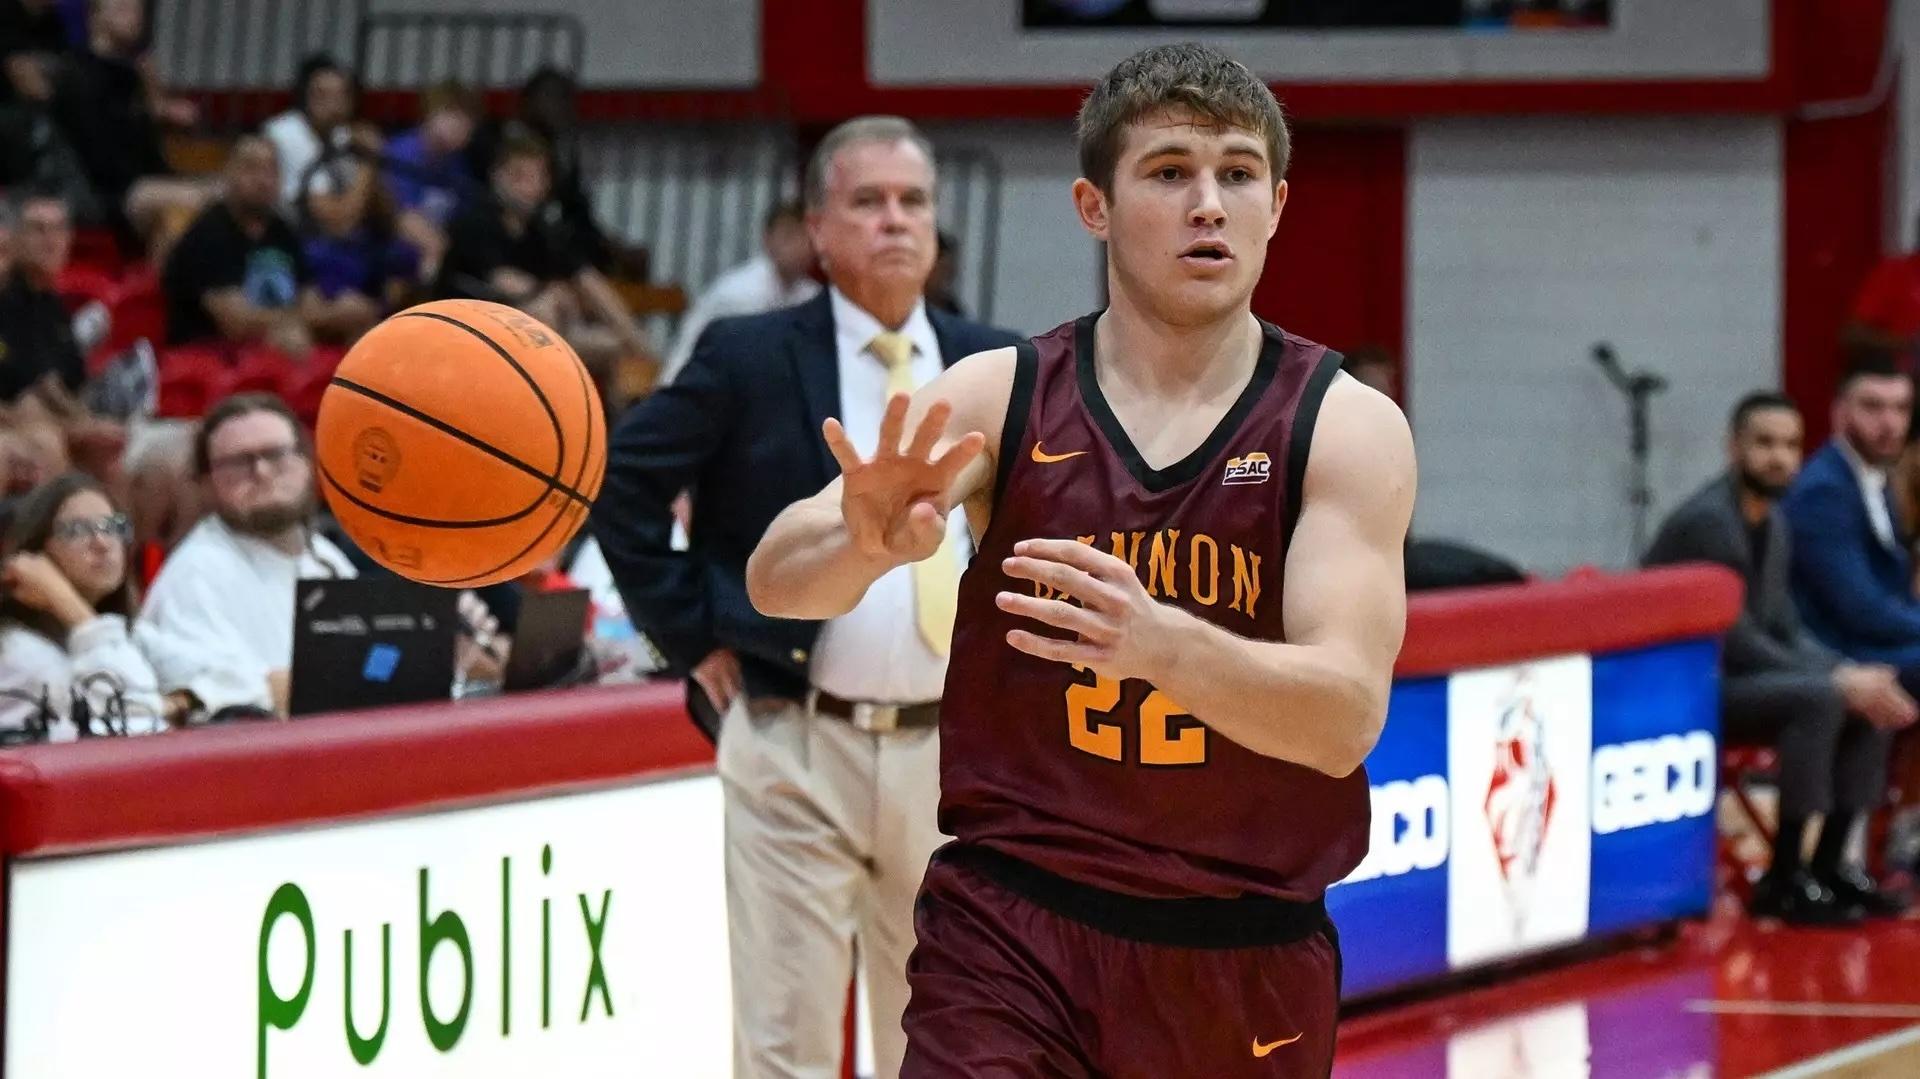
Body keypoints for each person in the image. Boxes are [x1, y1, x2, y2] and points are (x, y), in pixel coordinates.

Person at [748, 45, 1413, 1078]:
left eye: (1237, 174)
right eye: (1168, 172)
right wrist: (857, 544)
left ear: (1277, 204)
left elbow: (1345, 717)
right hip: (1011, 929)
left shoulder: (1344, 427)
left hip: (1239, 945)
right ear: (1093, 206)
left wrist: (1162, 645)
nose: (1208, 204)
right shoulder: (998, 393)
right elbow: (774, 575)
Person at [593, 115, 1019, 1078]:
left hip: (955, 755)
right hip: (794, 736)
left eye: (913, 202)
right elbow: (622, 482)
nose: (894, 222)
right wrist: (691, 629)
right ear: (818, 228)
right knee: (785, 1047)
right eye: (866, 202)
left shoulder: (992, 363)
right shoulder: (745, 353)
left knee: (943, 1045)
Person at [1645, 392, 1914, 923]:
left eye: (1790, 445)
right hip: (1685, 685)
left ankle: (1834, 865)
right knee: (1822, 698)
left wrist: (1852, 674)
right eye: (1764, 443)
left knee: (1870, 693)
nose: (1779, 457)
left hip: (1734, 676)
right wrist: (1838, 679)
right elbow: (1738, 640)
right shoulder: (1711, 523)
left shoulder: (1775, 521)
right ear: (1733, 449)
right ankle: (1785, 874)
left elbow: (1787, 628)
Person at [435, 132, 650, 387]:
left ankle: (611, 424)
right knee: (543, 311)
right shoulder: (475, 221)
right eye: (519, 176)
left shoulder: (544, 229)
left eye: (538, 177)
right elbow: (505, 282)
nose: (530, 188)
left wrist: (636, 339)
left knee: (614, 345)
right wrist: (553, 293)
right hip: (468, 331)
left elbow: (588, 281)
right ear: (496, 176)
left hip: (538, 333)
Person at [161, 135, 378, 356]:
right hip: (207, 353)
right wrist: (320, 315)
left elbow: (309, 298)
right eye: (251, 169)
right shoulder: (209, 233)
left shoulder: (282, 231)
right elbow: (237, 322)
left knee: (362, 327)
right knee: (292, 340)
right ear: (229, 173)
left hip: (278, 336)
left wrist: (338, 311)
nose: (263, 180)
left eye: (271, 171)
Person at [661, 200, 819, 383]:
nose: (800, 246)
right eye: (789, 237)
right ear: (767, 240)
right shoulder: (741, 293)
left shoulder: (811, 294)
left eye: (807, 238)